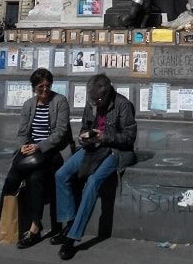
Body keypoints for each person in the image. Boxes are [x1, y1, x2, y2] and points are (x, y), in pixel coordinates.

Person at [52, 74, 137, 260]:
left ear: (107, 93)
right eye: (92, 98)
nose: (95, 101)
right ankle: (69, 223)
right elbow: (84, 126)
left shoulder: (123, 105)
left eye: (98, 98)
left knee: (92, 182)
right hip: (92, 148)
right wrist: (85, 136)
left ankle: (72, 237)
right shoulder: (92, 102)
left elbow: (129, 137)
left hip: (114, 150)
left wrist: (104, 136)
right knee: (61, 174)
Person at [0, 68, 72, 247]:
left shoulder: (60, 102)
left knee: (36, 178)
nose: (45, 90)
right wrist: (23, 146)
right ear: (34, 87)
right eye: (40, 86)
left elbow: (60, 133)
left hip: (52, 150)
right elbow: (21, 132)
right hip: (31, 150)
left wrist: (39, 146)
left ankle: (35, 227)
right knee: (12, 178)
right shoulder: (28, 105)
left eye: (48, 86)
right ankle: (2, 222)